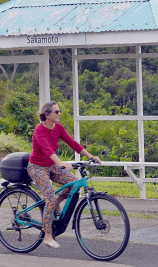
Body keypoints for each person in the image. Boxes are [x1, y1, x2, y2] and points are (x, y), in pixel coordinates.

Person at [27, 100, 101, 249]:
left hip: (51, 165)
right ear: (47, 115)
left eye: (59, 111)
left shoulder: (58, 127)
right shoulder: (39, 129)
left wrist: (90, 156)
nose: (59, 114)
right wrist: (61, 163)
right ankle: (48, 236)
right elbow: (47, 149)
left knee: (74, 183)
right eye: (56, 112)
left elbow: (72, 143)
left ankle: (57, 203)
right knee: (48, 198)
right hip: (37, 167)